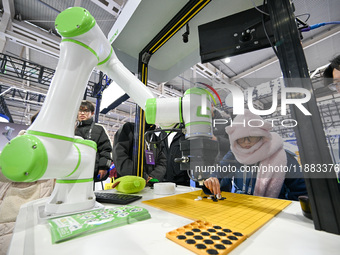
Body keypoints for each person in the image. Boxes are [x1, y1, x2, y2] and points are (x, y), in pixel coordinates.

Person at [203, 110, 307, 201]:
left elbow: (301, 193)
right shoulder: (234, 154)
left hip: (274, 211)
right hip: (243, 208)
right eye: (241, 138)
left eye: (251, 137)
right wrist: (212, 179)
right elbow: (220, 172)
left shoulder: (282, 157)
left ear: (262, 136)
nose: (246, 142)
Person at [0, 111, 55, 255]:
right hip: (14, 223)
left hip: (45, 223)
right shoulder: (19, 146)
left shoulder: (63, 149)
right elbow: (3, 173)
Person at [75, 100, 112, 182]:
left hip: (91, 171)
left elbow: (106, 149)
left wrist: (103, 167)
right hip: (73, 169)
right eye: (80, 110)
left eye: (86, 111)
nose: (82, 113)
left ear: (92, 113)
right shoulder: (72, 128)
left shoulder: (98, 129)